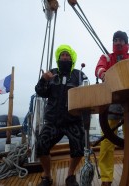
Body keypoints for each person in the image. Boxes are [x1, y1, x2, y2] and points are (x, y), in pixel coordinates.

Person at [35, 44, 88, 186]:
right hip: (53, 121)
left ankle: (70, 175)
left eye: (67, 55)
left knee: (79, 148)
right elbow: (41, 92)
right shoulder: (51, 73)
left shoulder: (79, 75)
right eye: (62, 55)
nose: (65, 57)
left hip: (73, 120)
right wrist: (43, 79)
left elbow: (88, 93)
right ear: (58, 57)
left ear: (72, 57)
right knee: (41, 145)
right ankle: (47, 176)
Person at [95, 31, 129, 186]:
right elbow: (99, 68)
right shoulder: (107, 58)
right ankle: (106, 179)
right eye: (116, 40)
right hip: (111, 105)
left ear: (126, 43)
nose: (118, 42)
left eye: (121, 40)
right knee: (107, 144)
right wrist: (104, 74)